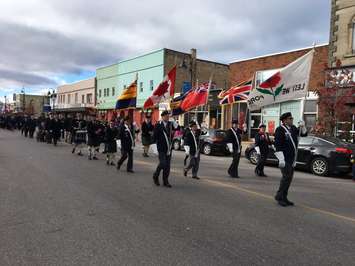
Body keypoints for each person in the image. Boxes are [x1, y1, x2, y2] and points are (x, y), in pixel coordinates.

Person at [274, 112, 307, 207]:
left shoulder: (293, 128)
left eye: (292, 118)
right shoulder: (280, 130)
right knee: (286, 178)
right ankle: (280, 197)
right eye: (290, 118)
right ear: (284, 120)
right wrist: (281, 159)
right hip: (284, 159)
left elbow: (304, 134)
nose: (292, 120)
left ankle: (283, 197)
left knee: (289, 179)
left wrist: (303, 126)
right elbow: (278, 145)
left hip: (292, 159)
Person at [152, 111, 179, 187]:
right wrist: (155, 149)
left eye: (168, 116)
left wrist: (174, 121)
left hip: (169, 148)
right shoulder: (158, 125)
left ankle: (165, 181)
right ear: (162, 117)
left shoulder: (171, 124)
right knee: (163, 163)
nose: (167, 117)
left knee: (167, 166)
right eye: (166, 116)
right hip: (161, 148)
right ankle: (155, 176)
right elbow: (154, 137)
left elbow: (178, 128)